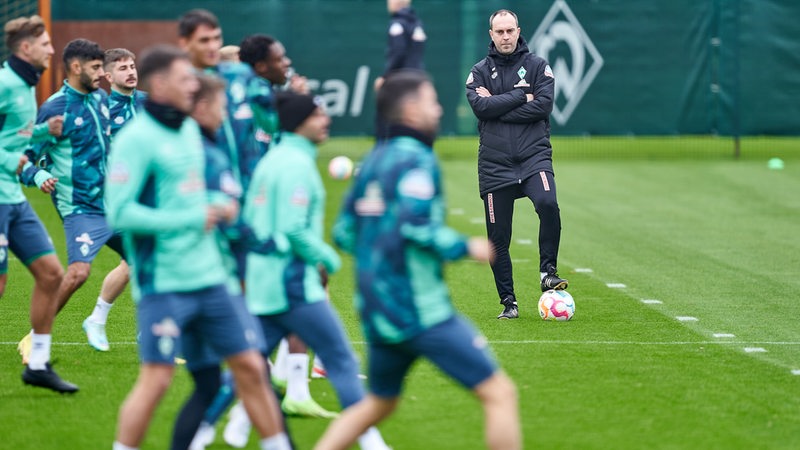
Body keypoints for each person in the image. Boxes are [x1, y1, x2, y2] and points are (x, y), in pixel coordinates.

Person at [316, 70, 520, 450]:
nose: (439, 109)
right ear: (411, 110)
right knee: (500, 394)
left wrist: (379, 246)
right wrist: (466, 247)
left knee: (378, 403)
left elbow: (345, 232)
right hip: (419, 311)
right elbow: (417, 227)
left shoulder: (373, 160)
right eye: (432, 101)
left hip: (377, 312)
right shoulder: (417, 160)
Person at [106, 44, 290, 450]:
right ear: (159, 85)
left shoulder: (192, 131)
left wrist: (222, 209)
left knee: (251, 368)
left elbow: (199, 195)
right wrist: (192, 217)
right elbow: (119, 213)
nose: (194, 84)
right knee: (157, 379)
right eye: (184, 78)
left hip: (212, 279)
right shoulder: (136, 139)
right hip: (164, 283)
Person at [238, 91, 389, 450]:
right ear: (298, 122)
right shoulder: (294, 164)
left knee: (250, 364)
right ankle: (371, 440)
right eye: (317, 114)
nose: (326, 119)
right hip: (292, 282)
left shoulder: (274, 158)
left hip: (268, 281)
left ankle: (210, 431)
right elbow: (292, 228)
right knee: (340, 358)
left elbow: (253, 221)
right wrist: (328, 258)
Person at [18, 38, 130, 353]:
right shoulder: (55, 107)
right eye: (96, 67)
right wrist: (38, 173)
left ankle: (140, 334)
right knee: (79, 272)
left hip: (113, 203)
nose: (101, 72)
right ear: (76, 67)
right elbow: (22, 155)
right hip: (79, 207)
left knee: (147, 260)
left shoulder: (101, 99)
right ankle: (34, 337)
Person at [465, 9, 568, 320]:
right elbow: (480, 107)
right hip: (495, 166)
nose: (506, 37)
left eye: (510, 31)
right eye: (500, 32)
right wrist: (520, 96)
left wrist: (498, 105)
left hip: (533, 157)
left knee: (548, 203)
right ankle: (509, 303)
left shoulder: (538, 66)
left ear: (519, 31)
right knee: (498, 238)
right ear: (491, 35)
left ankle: (547, 272)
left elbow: (544, 106)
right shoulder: (479, 71)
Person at [0, 14, 76, 393]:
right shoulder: (4, 83)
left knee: (51, 274)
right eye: (46, 44)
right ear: (26, 48)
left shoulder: (26, 84)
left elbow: (13, 137)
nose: (52, 49)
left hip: (13, 198)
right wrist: (10, 161)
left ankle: (39, 365)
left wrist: (47, 130)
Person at [374, 0, 426, 139]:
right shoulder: (417, 23)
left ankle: (385, 151)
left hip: (400, 80)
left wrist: (385, 77)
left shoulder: (397, 24)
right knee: (413, 119)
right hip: (418, 78)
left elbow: (398, 51)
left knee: (389, 116)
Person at [104, 48, 147, 137]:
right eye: (123, 68)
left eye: (132, 67)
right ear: (109, 77)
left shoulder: (151, 101)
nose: (131, 73)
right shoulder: (104, 110)